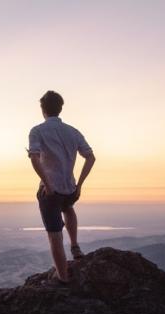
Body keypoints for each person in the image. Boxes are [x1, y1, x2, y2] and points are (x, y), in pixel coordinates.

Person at [27, 90, 96, 283]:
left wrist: (48, 184)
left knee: (54, 235)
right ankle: (75, 246)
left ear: (43, 109)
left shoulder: (37, 131)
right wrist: (80, 184)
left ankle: (63, 279)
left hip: (51, 190)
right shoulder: (73, 131)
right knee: (68, 208)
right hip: (70, 188)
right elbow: (90, 157)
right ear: (60, 108)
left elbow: (34, 157)